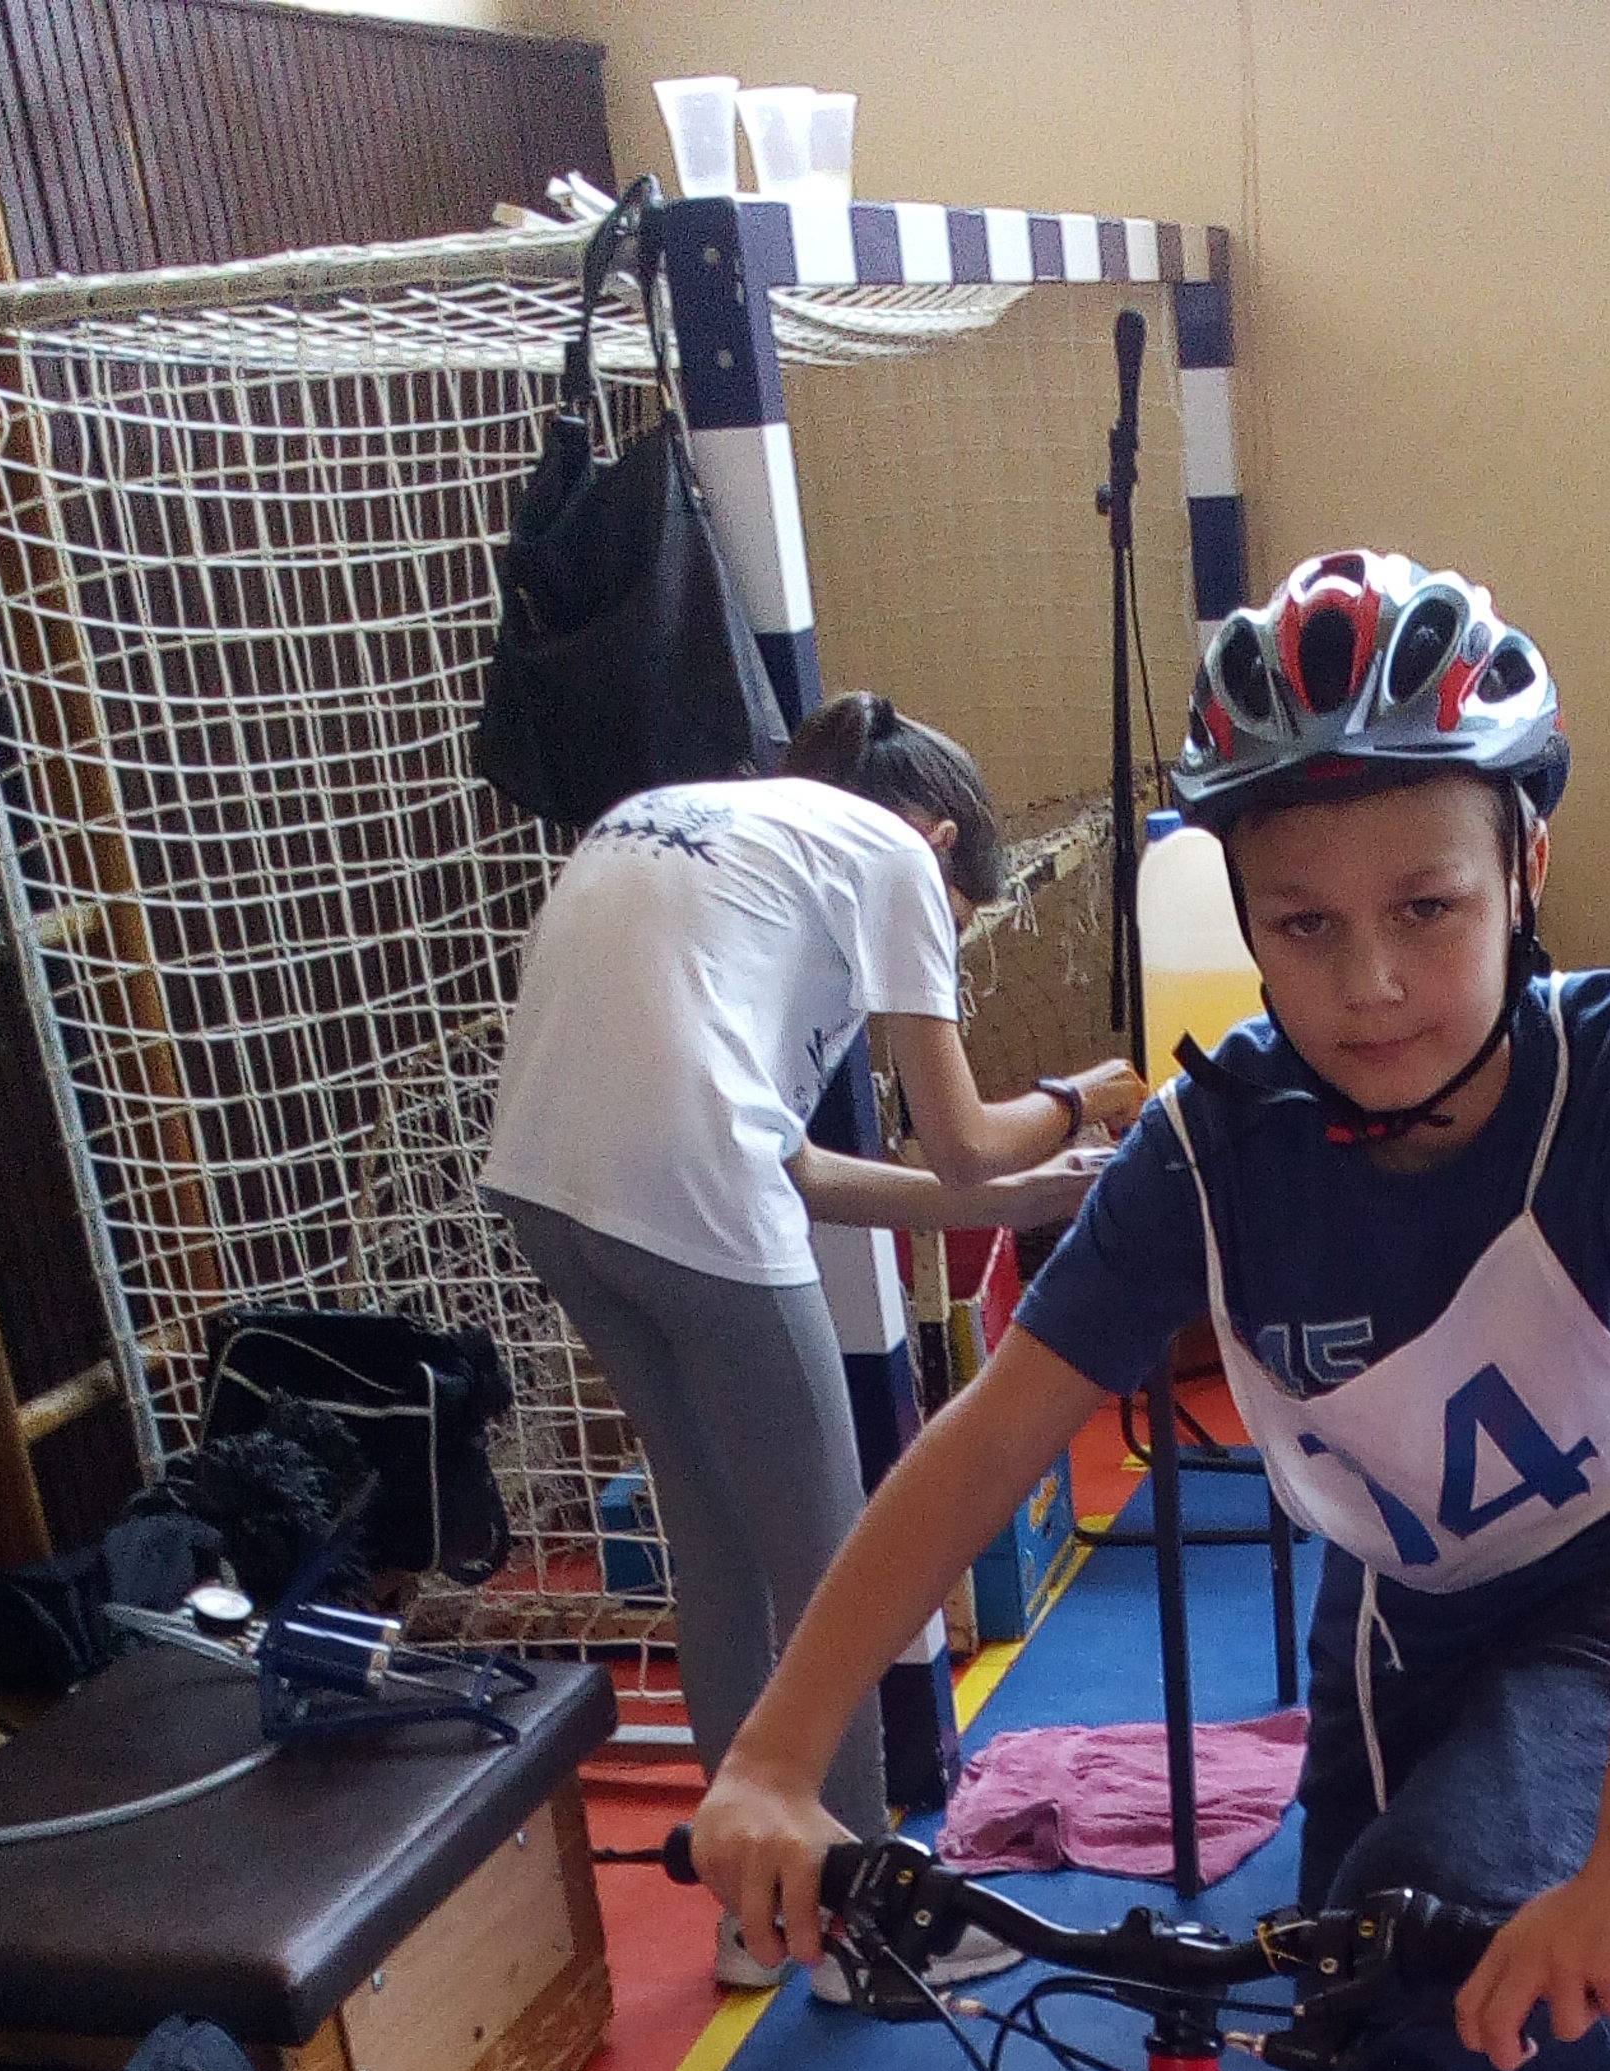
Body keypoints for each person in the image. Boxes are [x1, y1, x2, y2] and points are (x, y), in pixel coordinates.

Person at [688, 553, 1610, 2071]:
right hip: (1401, 1614)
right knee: (1348, 2040)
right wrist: (775, 1756)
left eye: (1427, 910)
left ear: (1526, 867)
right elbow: (985, 1440)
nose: (1368, 982)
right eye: (1302, 925)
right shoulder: (1212, 1153)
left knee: (1466, 1922)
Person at [482, 692, 1145, 1998]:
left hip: (545, 1194)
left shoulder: (699, 827)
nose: (942, 956)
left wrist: (1025, 1195)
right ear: (941, 840)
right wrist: (1083, 1096)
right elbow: (959, 1139)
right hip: (691, 1192)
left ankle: (755, 1915)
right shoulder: (892, 855)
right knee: (841, 1563)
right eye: (960, 929)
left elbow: (801, 1169)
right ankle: (863, 1923)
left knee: (719, 1553)